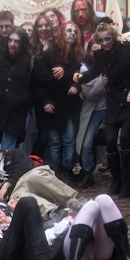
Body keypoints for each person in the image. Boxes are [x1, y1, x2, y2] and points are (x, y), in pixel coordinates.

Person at [74, 24, 130, 198]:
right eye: (101, 40)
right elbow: (94, 72)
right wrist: (80, 78)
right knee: (109, 140)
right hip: (114, 100)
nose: (105, 43)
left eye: (107, 39)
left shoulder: (127, 48)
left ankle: (126, 183)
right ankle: (116, 181)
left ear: (114, 36)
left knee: (124, 138)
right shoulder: (100, 55)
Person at [0, 140, 77, 219]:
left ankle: (74, 201)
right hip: (18, 192)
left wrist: (5, 186)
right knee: (19, 196)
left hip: (32, 177)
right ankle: (55, 212)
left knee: (35, 176)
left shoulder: (14, 153)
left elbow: (24, 166)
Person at [0, 27, 45, 150]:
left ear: (23, 43)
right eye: (10, 40)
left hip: (14, 115)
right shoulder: (0, 59)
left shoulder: (31, 62)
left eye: (16, 41)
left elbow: (43, 82)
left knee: (7, 154)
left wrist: (26, 100)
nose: (12, 44)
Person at [39, 21, 83, 181]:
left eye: (75, 31)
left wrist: (76, 85)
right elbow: (40, 80)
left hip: (71, 105)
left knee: (69, 140)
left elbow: (81, 75)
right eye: (69, 30)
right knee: (55, 141)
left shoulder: (78, 55)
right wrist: (44, 101)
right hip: (53, 103)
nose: (72, 33)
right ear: (62, 34)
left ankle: (68, 169)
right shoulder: (50, 54)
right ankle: (56, 171)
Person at [74, 40, 106, 190]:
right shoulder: (84, 69)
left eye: (99, 50)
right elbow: (89, 96)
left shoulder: (109, 66)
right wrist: (103, 85)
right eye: (93, 51)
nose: (97, 54)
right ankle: (87, 172)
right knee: (86, 144)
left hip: (110, 110)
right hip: (93, 112)